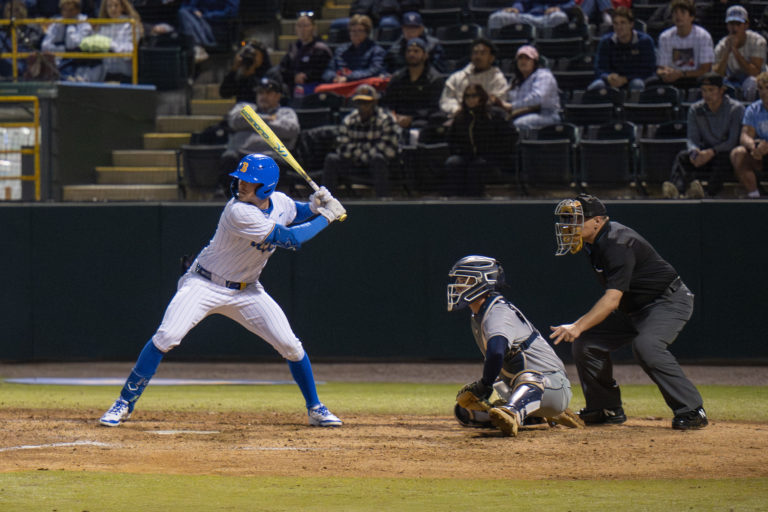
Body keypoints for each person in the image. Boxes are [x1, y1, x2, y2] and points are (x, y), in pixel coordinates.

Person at [99, 153, 347, 428]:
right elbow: (290, 239)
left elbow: (294, 212)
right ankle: (124, 402)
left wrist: (313, 206)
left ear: (265, 187)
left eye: (248, 181)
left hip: (248, 291)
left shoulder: (280, 202)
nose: (240, 185)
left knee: (290, 345)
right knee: (167, 335)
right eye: (240, 179)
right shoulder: (238, 211)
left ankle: (315, 408)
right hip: (204, 283)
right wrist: (326, 217)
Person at [550, 194, 708, 430]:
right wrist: (581, 329)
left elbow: (612, 300)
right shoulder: (594, 242)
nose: (568, 225)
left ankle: (693, 410)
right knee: (587, 342)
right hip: (634, 308)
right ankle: (605, 407)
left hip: (666, 301)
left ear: (598, 221)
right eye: (566, 219)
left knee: (647, 346)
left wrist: (577, 325)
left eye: (575, 219)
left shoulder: (617, 242)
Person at [447, 255, 583, 437]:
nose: (458, 285)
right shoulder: (479, 314)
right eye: (458, 280)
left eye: (464, 280)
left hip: (551, 386)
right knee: (466, 412)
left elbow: (496, 354)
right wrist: (485, 388)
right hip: (519, 386)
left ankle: (515, 412)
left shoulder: (498, 312)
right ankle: (536, 416)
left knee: (528, 379)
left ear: (482, 282)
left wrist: (484, 384)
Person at [662, 72, 744, 199]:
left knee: (724, 159)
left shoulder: (736, 109)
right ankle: (676, 192)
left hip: (723, 152)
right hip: (704, 152)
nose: (707, 94)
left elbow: (732, 141)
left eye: (711, 90)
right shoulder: (695, 109)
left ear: (722, 90)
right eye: (704, 90)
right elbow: (692, 138)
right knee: (683, 157)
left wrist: (711, 152)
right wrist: (694, 153)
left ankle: (708, 194)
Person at [221, 78, 300, 192]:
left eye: (268, 93)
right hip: (242, 155)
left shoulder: (286, 112)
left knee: (279, 165)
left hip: (271, 157)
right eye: (260, 93)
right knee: (228, 158)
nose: (263, 96)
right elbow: (234, 121)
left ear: (278, 96)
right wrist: (267, 119)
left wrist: (252, 122)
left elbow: (291, 130)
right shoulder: (245, 107)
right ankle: (232, 199)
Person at [322, 83, 400, 197]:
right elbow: (342, 147)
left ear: (374, 102)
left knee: (378, 159)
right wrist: (362, 155)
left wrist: (359, 154)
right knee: (331, 159)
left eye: (366, 102)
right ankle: (326, 203)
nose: (362, 106)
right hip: (354, 163)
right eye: (360, 102)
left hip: (376, 166)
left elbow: (389, 151)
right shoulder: (349, 120)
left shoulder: (386, 120)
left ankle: (383, 201)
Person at [444, 84, 516, 196]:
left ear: (481, 97)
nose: (470, 99)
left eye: (474, 96)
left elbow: (510, 137)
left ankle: (475, 201)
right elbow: (451, 140)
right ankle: (454, 200)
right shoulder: (461, 117)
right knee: (453, 163)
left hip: (491, 158)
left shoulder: (494, 115)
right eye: (467, 96)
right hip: (466, 156)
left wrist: (494, 153)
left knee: (476, 167)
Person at [379, 37, 445, 142]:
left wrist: (411, 119)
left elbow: (435, 110)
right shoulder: (397, 77)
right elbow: (388, 103)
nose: (411, 54)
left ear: (425, 55)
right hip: (397, 122)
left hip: (422, 124)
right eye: (409, 51)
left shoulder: (435, 79)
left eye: (416, 51)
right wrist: (394, 117)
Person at [492, 45, 560, 135]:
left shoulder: (543, 75)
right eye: (520, 58)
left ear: (534, 62)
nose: (523, 61)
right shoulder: (515, 81)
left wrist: (512, 106)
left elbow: (537, 99)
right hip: (521, 114)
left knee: (518, 124)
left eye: (527, 58)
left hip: (546, 115)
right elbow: (507, 98)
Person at [589, 7, 657, 93]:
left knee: (637, 84)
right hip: (612, 80)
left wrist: (626, 79)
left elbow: (649, 69)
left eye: (623, 23)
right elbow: (599, 68)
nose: (619, 27)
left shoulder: (645, 41)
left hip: (635, 79)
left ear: (631, 24)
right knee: (596, 85)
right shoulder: (606, 41)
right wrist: (608, 77)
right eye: (615, 23)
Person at [651, 0, 714, 89]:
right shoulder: (665, 37)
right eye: (675, 13)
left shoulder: (703, 37)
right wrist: (665, 73)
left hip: (694, 79)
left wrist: (681, 74)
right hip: (672, 79)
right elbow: (661, 68)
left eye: (682, 12)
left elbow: (705, 70)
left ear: (691, 17)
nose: (678, 16)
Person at [439, 38, 508, 118]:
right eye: (475, 53)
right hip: (458, 117)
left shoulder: (498, 79)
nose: (478, 56)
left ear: (491, 58)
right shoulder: (457, 77)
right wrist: (456, 109)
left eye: (482, 53)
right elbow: (446, 100)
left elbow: (498, 102)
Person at [712, 5, 766, 102]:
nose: (734, 28)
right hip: (731, 79)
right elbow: (717, 74)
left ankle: (750, 108)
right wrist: (726, 53)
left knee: (751, 83)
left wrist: (735, 51)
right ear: (727, 25)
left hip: (754, 80)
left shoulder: (758, 41)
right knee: (718, 84)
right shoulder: (722, 45)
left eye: (738, 23)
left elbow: (755, 72)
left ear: (746, 25)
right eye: (731, 23)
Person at [729, 71, 768, 199]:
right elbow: (745, 136)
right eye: (761, 88)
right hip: (760, 154)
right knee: (738, 153)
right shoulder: (753, 109)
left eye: (767, 88)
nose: (763, 92)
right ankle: (754, 195)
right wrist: (754, 146)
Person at [278, 13, 333, 98]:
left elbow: (322, 70)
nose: (302, 29)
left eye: (306, 26)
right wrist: (294, 76)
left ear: (313, 28)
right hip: (294, 85)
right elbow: (283, 68)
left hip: (314, 87)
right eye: (299, 26)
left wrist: (306, 76)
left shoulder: (321, 48)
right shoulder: (294, 49)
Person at [321, 14, 387, 84]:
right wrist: (334, 77)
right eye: (353, 31)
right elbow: (329, 70)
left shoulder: (376, 51)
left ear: (367, 33)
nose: (355, 34)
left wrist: (348, 78)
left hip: (363, 86)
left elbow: (374, 71)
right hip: (339, 84)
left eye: (360, 30)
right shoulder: (341, 50)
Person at [219, 39, 281, 104]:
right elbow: (225, 93)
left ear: (263, 56)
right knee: (238, 110)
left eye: (254, 54)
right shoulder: (241, 74)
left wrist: (251, 76)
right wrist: (234, 69)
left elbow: (263, 97)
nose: (250, 57)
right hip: (246, 111)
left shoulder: (272, 74)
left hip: (265, 111)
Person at [95, 0, 143, 83]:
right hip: (105, 75)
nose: (113, 9)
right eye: (109, 6)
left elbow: (128, 53)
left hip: (125, 76)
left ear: (122, 7)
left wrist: (109, 44)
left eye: (116, 5)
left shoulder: (131, 24)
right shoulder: (102, 25)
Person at [487, 0, 572, 34]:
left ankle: (548, 48)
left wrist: (559, 8)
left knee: (560, 17)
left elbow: (572, 4)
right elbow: (521, 3)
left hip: (549, 18)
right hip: (529, 17)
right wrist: (516, 9)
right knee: (496, 17)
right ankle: (497, 53)